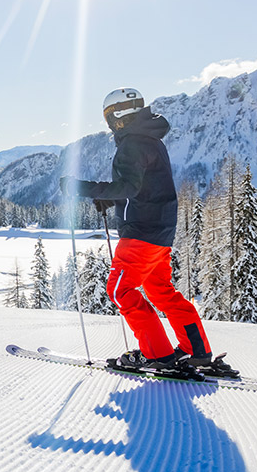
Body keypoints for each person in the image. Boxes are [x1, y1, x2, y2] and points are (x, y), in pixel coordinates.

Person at [62, 88, 231, 378]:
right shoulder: (150, 139)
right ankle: (196, 351)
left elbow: (129, 187)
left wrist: (83, 188)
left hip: (141, 232)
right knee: (161, 291)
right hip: (160, 230)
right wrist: (111, 197)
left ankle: (160, 355)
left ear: (119, 115)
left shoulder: (133, 144)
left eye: (109, 117)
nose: (109, 124)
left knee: (120, 290)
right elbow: (144, 188)